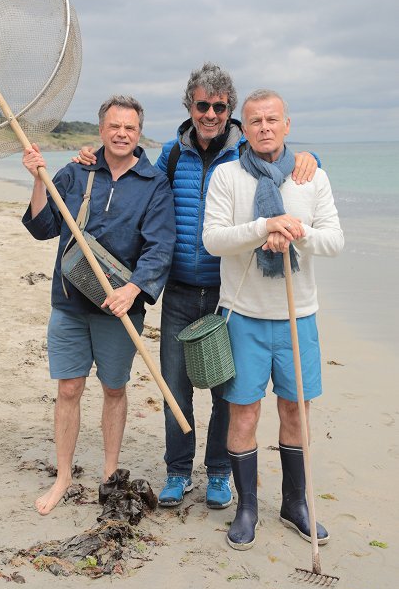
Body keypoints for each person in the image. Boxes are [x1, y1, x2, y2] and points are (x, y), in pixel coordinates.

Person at [76, 64, 318, 510]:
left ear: (230, 111)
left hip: (230, 292)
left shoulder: (245, 152)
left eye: (220, 106)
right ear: (190, 106)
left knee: (228, 389)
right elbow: (128, 170)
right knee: (176, 384)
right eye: (203, 105)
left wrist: (312, 159)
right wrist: (88, 156)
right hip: (180, 290)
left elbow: (284, 162)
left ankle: (221, 474)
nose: (210, 114)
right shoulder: (170, 155)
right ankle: (178, 471)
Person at [203, 89, 344, 550]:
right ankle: (247, 509)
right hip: (243, 315)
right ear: (244, 129)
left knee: (296, 411)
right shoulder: (226, 175)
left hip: (298, 315)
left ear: (288, 125)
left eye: (272, 119)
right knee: (243, 413)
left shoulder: (312, 177)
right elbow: (214, 240)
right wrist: (264, 227)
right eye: (255, 121)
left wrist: (296, 233)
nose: (265, 127)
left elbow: (335, 241)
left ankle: (295, 503)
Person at [22, 95, 176, 515]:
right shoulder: (76, 172)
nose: (121, 133)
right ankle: (64, 476)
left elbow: (160, 247)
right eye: (114, 126)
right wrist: (39, 178)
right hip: (70, 302)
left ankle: (109, 476)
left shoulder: (153, 183)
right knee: (69, 388)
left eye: (129, 127)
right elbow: (43, 227)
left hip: (120, 308)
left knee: (113, 388)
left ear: (139, 132)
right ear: (102, 129)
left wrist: (134, 289)